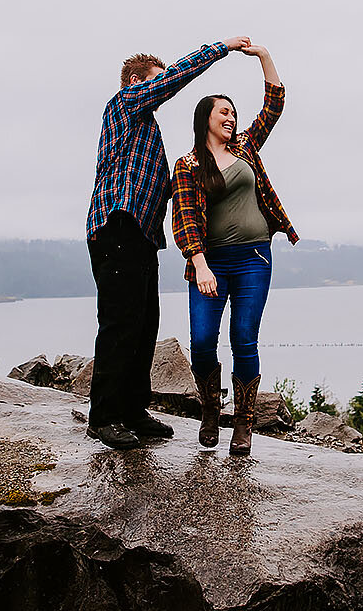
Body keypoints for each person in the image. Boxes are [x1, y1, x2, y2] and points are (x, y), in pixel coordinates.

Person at [86, 37, 251, 449]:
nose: (162, 90)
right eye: (155, 83)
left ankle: (133, 411)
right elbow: (175, 78)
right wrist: (221, 48)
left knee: (144, 326)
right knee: (120, 324)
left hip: (142, 235)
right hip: (116, 226)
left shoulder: (147, 132)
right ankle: (104, 416)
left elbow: (168, 187)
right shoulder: (124, 104)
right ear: (138, 81)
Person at [171, 44, 298, 456]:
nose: (231, 117)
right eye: (223, 112)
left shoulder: (245, 147)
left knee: (244, 338)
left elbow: (274, 104)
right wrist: (200, 264)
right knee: (203, 341)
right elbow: (186, 218)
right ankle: (211, 410)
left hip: (254, 259)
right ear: (204, 118)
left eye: (233, 113)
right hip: (210, 265)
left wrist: (263, 54)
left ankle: (243, 423)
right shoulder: (188, 164)